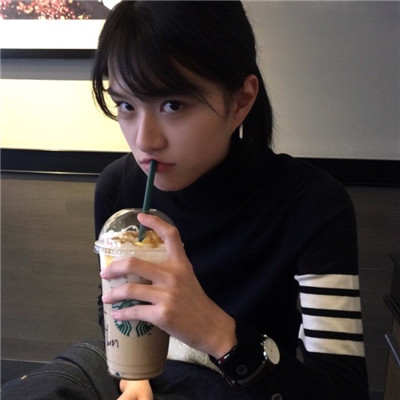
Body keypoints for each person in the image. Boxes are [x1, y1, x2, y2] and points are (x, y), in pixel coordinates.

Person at [2, 1, 369, 399]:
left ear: (240, 101)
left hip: (246, 382)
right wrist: (134, 376)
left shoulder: (312, 205)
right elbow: (114, 303)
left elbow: (343, 390)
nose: (144, 141)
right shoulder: (118, 188)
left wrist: (216, 331)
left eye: (173, 105)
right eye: (126, 105)